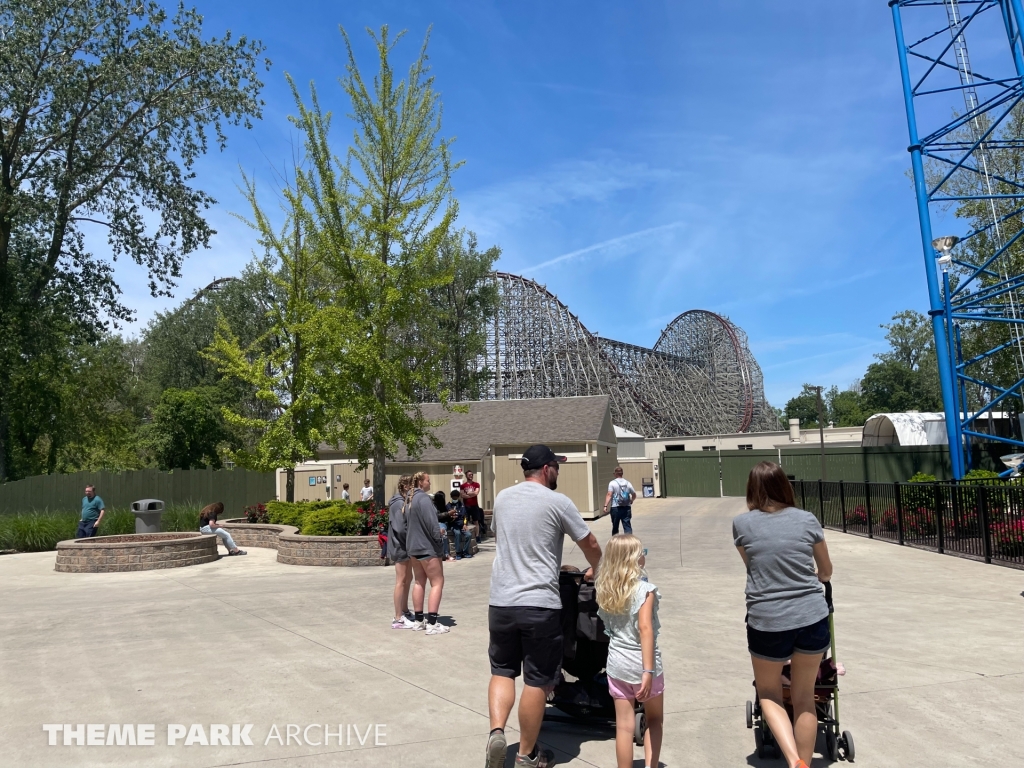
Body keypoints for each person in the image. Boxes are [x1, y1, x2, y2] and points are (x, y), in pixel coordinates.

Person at [485, 444, 603, 768]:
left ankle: (497, 733)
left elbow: (506, 539)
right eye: (557, 466)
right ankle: (526, 754)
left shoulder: (504, 498)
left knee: (502, 672)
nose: (559, 472)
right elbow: (590, 543)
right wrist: (599, 567)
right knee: (537, 680)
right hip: (539, 605)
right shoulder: (558, 502)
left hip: (501, 602)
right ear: (547, 469)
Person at [733, 461, 833, 768]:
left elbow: (752, 566)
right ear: (784, 487)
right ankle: (803, 760)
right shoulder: (806, 519)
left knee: (769, 694)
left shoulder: (742, 524)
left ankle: (793, 761)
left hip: (768, 619)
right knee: (804, 696)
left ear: (752, 489)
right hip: (811, 616)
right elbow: (826, 571)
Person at [596, 535, 664, 768]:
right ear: (632, 560)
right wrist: (648, 670)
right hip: (642, 662)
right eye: (640, 552)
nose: (644, 555)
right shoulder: (645, 590)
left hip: (617, 663)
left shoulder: (606, 589)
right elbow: (645, 629)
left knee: (624, 726)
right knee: (654, 719)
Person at [405, 473, 450, 635]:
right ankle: (432, 623)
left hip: (413, 547)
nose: (430, 483)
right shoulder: (424, 499)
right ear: (420, 482)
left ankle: (418, 621)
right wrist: (439, 537)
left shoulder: (409, 499)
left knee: (419, 582)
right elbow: (432, 524)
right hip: (427, 547)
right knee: (437, 582)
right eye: (428, 480)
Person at [387, 475, 417, 629]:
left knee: (407, 579)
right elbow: (400, 528)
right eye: (413, 486)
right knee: (401, 581)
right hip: (400, 545)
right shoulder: (398, 503)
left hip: (406, 546)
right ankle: (398, 618)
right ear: (406, 487)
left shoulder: (404, 501)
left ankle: (404, 610)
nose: (415, 489)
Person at [603, 467, 636, 535]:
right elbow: (634, 494)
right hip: (626, 508)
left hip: (615, 507)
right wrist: (631, 500)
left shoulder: (612, 483)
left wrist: (605, 505)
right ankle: (629, 542)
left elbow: (609, 494)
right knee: (627, 526)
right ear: (622, 473)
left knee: (615, 527)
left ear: (615, 474)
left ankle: (615, 543)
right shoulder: (628, 483)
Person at [461, 469, 486, 541]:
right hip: (466, 506)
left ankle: (477, 536)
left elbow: (476, 493)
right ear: (466, 476)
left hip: (474, 505)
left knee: (476, 521)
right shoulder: (463, 485)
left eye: (472, 474)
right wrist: (472, 494)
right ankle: (469, 536)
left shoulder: (476, 484)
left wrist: (468, 494)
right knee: (466, 521)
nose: (471, 476)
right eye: (469, 475)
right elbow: (462, 495)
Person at [448, 490, 473, 560]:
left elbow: (465, 516)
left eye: (456, 498)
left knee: (469, 535)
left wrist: (465, 524)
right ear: (451, 497)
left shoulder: (461, 505)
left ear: (458, 497)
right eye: (454, 498)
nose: (455, 499)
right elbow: (447, 517)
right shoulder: (448, 505)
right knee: (457, 534)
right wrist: (452, 518)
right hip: (454, 525)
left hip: (462, 525)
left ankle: (465, 552)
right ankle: (458, 552)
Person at [433, 491, 456, 562]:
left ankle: (446, 554)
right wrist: (448, 513)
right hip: (435, 523)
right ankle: (443, 554)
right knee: (441, 532)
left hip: (442, 523)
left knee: (443, 532)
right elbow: (437, 516)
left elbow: (446, 518)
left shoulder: (444, 506)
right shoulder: (433, 506)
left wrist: (452, 517)